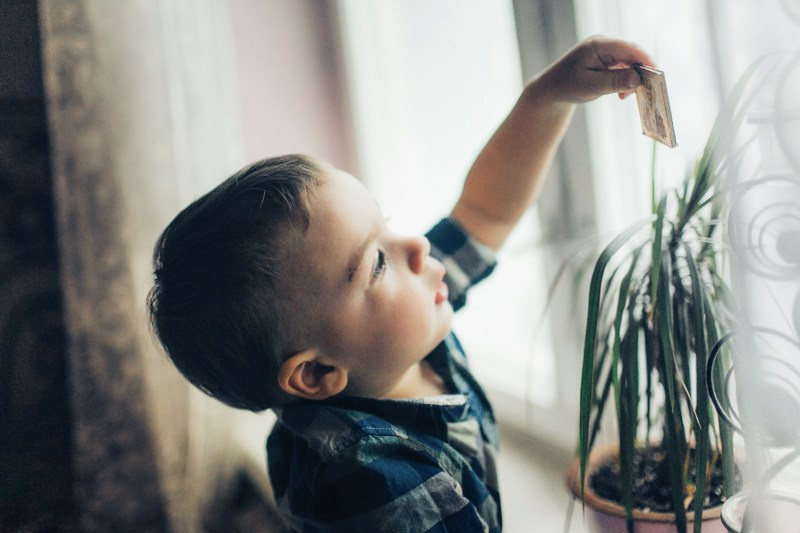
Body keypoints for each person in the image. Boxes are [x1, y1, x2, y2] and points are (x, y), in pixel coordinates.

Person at [148, 36, 653, 532]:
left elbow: (485, 212)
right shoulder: (379, 487)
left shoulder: (392, 341)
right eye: (376, 263)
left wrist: (547, 97)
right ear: (319, 372)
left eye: (386, 223)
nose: (416, 245)